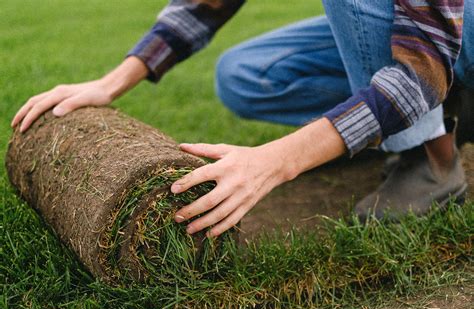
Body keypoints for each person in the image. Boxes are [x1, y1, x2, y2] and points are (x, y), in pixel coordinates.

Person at [11, 0, 473, 237]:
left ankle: (429, 158)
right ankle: (444, 112)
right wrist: (111, 83)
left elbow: (421, 70)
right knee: (245, 75)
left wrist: (277, 160)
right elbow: (204, 4)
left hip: (447, 35)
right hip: (418, 39)